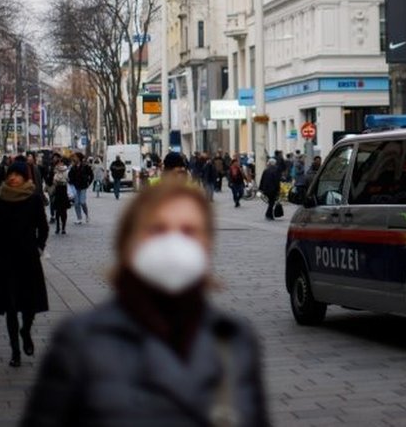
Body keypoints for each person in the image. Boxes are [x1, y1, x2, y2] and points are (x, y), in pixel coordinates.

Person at [20, 180, 268, 427]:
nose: (174, 243)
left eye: (189, 231)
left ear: (208, 244)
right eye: (158, 229)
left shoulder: (233, 339)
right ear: (129, 243)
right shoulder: (80, 341)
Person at [0, 161, 49, 368]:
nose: (13, 178)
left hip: (28, 258)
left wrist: (39, 247)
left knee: (29, 306)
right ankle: (15, 352)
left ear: (25, 178)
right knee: (10, 307)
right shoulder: (0, 198)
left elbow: (43, 227)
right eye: (10, 174)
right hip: (6, 259)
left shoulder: (34, 198)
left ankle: (25, 331)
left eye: (17, 175)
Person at [68, 153, 93, 224]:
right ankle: (79, 218)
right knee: (76, 203)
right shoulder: (73, 167)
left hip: (83, 186)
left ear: (79, 158)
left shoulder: (85, 166)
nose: (74, 158)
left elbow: (91, 175)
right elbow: (70, 176)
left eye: (75, 157)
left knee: (82, 202)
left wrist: (89, 183)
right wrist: (70, 181)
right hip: (76, 187)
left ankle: (87, 215)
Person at [52, 162, 71, 235]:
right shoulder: (56, 174)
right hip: (58, 194)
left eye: (61, 166)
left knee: (64, 212)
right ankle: (57, 227)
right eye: (59, 167)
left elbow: (68, 181)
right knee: (57, 212)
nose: (60, 168)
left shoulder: (66, 173)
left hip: (63, 194)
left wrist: (63, 181)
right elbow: (54, 182)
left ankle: (63, 227)